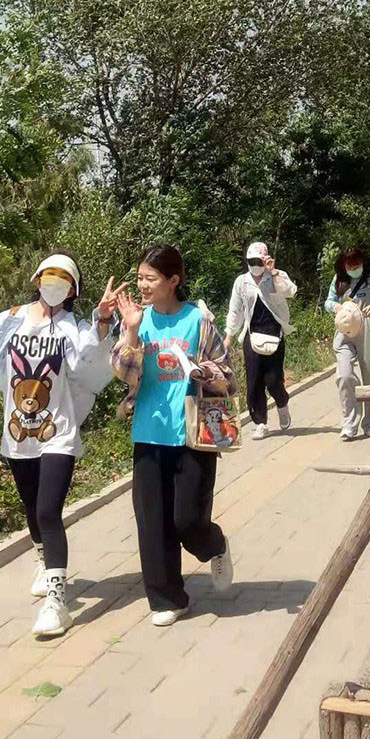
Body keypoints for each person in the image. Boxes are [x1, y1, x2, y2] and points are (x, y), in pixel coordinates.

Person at [0, 253, 124, 638]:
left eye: (65, 279)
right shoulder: (10, 320)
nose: (55, 283)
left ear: (73, 290)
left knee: (48, 511)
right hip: (18, 436)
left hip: (58, 432)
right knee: (32, 509)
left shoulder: (73, 328)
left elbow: (89, 363)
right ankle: (44, 559)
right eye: (49, 275)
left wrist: (102, 320)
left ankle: (57, 602)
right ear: (36, 280)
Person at [112, 245, 235, 627]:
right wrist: (132, 330)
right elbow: (122, 371)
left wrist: (204, 371)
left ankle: (214, 544)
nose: (142, 285)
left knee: (187, 520)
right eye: (139, 278)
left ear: (173, 281)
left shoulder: (198, 320)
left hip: (193, 435)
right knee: (153, 523)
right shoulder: (137, 321)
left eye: (150, 278)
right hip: (149, 435)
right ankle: (168, 598)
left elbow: (228, 375)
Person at [224, 242, 297, 440]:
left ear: (266, 260)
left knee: (273, 380)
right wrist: (229, 335)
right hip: (252, 334)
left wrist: (273, 272)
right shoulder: (242, 282)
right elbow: (235, 309)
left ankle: (282, 402)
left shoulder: (276, 276)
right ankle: (260, 422)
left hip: (274, 334)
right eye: (251, 261)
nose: (255, 265)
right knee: (254, 381)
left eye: (259, 261)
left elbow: (290, 292)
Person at [324, 245, 370, 441]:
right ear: (343, 265)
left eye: (357, 265)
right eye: (350, 266)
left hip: (367, 327)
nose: (354, 268)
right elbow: (328, 301)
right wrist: (335, 307)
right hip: (344, 330)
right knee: (344, 376)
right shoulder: (339, 280)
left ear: (363, 262)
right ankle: (349, 423)